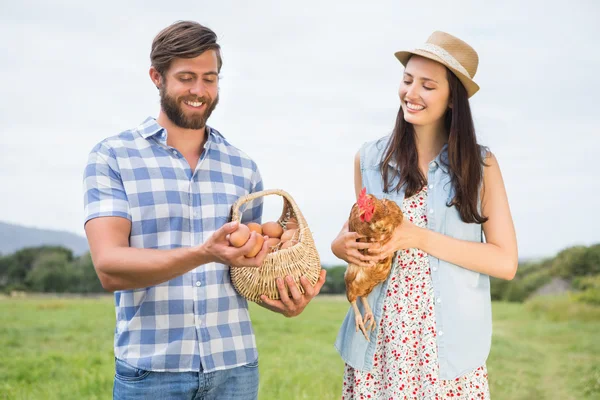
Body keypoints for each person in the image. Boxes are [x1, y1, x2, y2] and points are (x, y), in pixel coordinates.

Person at [83, 20, 326, 400]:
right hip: (152, 372)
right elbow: (109, 266)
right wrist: (203, 254)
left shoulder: (242, 167)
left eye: (210, 78)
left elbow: (244, 269)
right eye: (186, 77)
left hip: (235, 369)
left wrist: (284, 301)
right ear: (157, 77)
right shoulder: (113, 156)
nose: (199, 91)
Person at [331, 31, 518, 399]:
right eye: (407, 80)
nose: (411, 93)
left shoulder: (480, 166)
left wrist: (417, 237)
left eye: (428, 85)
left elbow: (505, 261)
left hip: (447, 353)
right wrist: (340, 246)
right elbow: (354, 231)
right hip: (380, 345)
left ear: (452, 100)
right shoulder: (369, 159)